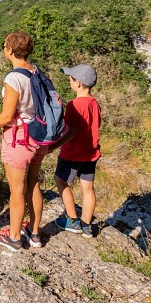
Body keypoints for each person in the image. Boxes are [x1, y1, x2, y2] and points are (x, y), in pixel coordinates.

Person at [0, 31, 50, 251]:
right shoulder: (36, 71)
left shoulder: (14, 78)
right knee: (33, 184)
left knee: (17, 190)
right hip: (39, 136)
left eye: (4, 46)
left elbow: (7, 116)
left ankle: (14, 237)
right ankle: (35, 233)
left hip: (20, 139)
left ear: (9, 50)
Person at [50, 64, 101, 238]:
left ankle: (72, 220)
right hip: (90, 152)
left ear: (78, 83)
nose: (69, 82)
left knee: (61, 180)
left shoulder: (74, 105)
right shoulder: (94, 103)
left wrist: (53, 146)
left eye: (71, 79)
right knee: (88, 187)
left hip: (72, 153)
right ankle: (87, 225)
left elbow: (71, 132)